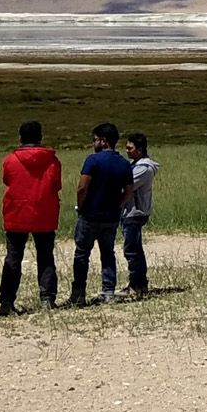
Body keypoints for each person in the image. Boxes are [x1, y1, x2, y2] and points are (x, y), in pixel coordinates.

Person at [0, 120, 61, 315]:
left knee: (14, 258)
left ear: (20, 138)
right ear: (40, 137)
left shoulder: (10, 160)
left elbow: (7, 180)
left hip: (17, 211)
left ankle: (7, 301)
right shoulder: (52, 160)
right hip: (44, 211)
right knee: (45, 256)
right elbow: (56, 185)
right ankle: (47, 298)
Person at [70, 122, 132, 306]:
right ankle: (108, 292)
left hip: (90, 215)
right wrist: (118, 205)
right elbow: (129, 191)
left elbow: (82, 187)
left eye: (95, 140)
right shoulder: (123, 163)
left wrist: (81, 207)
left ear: (103, 141)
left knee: (82, 254)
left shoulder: (93, 160)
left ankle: (79, 293)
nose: (93, 143)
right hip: (111, 216)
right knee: (107, 253)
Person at [119, 132, 160, 299]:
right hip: (131, 212)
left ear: (140, 149)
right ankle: (139, 283)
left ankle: (137, 285)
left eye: (130, 148)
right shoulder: (137, 165)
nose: (127, 151)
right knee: (135, 249)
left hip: (134, 212)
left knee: (132, 250)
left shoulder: (143, 169)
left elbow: (126, 185)